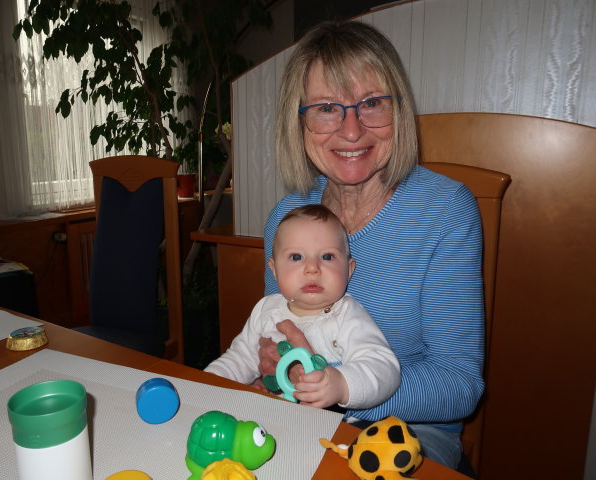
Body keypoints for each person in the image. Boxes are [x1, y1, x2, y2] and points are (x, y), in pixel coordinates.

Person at [258, 20, 485, 470]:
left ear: (397, 111)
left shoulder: (446, 211)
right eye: (326, 108)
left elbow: (459, 383)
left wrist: (343, 389)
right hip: (302, 416)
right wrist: (273, 364)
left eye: (372, 103)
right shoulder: (288, 218)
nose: (351, 130)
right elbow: (278, 337)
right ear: (298, 121)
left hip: (409, 432)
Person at [205, 204, 400, 410]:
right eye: (296, 257)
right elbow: (241, 357)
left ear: (348, 269)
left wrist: (342, 384)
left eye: (327, 257)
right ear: (274, 269)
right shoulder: (266, 309)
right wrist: (209, 382)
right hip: (272, 417)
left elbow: (383, 367)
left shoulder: (347, 316)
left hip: (328, 426)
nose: (312, 269)